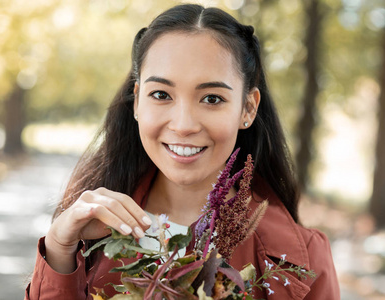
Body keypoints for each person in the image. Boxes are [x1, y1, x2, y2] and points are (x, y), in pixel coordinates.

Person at [25, 4, 340, 300]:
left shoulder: (304, 260)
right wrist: (59, 251)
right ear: (137, 101)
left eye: (212, 98)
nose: (184, 124)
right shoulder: (85, 234)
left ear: (247, 108)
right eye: (161, 94)